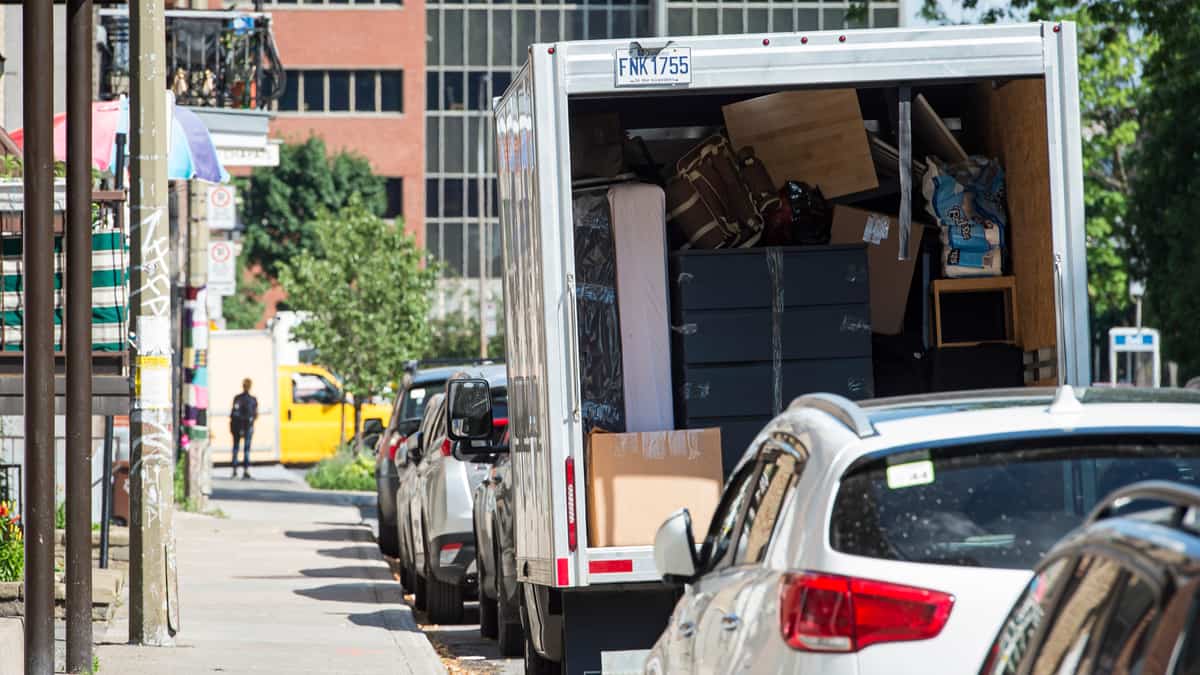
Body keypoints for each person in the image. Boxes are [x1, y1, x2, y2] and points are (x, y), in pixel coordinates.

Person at [230, 378, 258, 479]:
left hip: (237, 427)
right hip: (248, 427)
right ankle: (246, 470)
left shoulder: (237, 398)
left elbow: (233, 414)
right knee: (246, 449)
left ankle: (234, 471)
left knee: (236, 448)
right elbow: (255, 415)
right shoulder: (252, 400)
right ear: (250, 387)